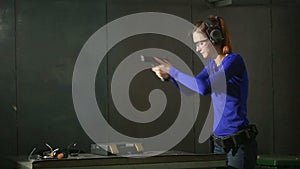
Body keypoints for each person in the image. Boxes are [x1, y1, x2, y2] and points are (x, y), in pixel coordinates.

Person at [151, 15, 258, 169]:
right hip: (219, 146)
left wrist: (173, 71)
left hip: (238, 146)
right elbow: (190, 89)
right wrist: (169, 76)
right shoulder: (211, 65)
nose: (197, 48)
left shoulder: (233, 61)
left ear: (215, 38)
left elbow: (204, 88)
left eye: (200, 43)